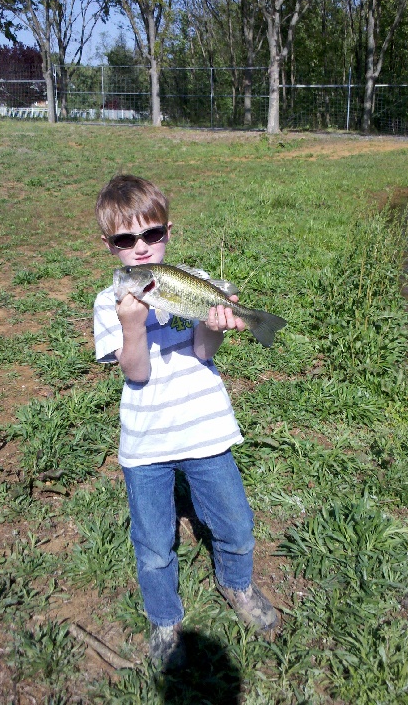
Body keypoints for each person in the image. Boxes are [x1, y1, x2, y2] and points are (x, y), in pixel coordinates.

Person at [93, 174, 278, 670]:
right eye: (125, 240)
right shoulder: (111, 303)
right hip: (145, 444)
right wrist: (133, 325)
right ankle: (163, 618)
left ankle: (237, 584)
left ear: (167, 234)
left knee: (235, 523)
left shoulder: (190, 280)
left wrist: (215, 325)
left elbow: (201, 349)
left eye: (151, 236)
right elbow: (136, 372)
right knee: (152, 543)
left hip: (206, 430)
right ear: (109, 246)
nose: (140, 249)